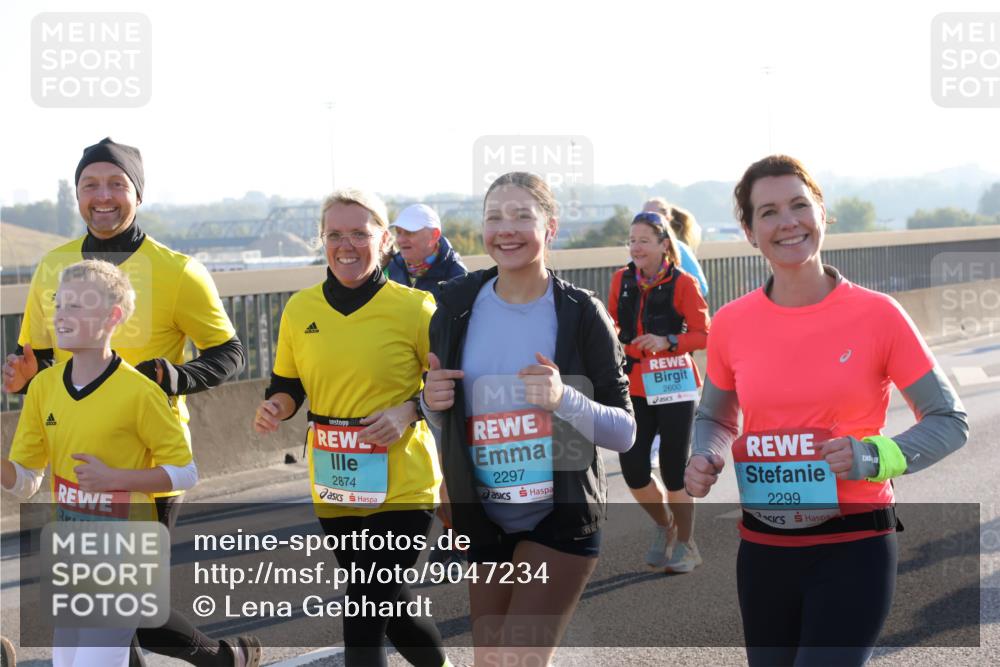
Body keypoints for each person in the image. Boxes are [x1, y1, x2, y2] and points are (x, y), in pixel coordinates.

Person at [684, 154, 968, 666]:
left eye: (799, 204)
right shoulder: (731, 323)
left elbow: (950, 422)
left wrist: (873, 456)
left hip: (855, 546)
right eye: (768, 212)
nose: (787, 221)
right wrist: (704, 455)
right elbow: (716, 417)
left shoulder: (879, 315)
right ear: (749, 232)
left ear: (821, 214)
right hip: (764, 549)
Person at [1, 138, 258, 667]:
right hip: (77, 460)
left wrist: (173, 375)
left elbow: (230, 353)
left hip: (148, 458)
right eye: (89, 184)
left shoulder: (178, 269)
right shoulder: (53, 266)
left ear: (137, 194)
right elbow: (46, 362)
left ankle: (221, 658)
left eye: (116, 184)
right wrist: (28, 379)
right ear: (76, 194)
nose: (102, 196)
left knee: (130, 609)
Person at [422, 171, 635, 665]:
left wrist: (565, 398)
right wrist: (432, 405)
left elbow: (624, 433)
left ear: (551, 227)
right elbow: (445, 419)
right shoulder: (455, 307)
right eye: (494, 217)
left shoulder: (582, 314)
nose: (507, 229)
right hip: (484, 518)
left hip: (558, 518)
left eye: (522, 215)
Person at [252, 189, 448, 667]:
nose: (346, 245)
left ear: (384, 241)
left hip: (404, 481)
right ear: (322, 241)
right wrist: (275, 407)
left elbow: (446, 387)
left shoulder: (416, 307)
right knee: (392, 606)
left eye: (360, 233)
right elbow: (288, 384)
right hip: (336, 478)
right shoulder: (300, 309)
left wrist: (408, 411)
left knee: (364, 602)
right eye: (335, 234)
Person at [1, 260, 198, 667]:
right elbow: (26, 481)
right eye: (59, 305)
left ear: (112, 317)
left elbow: (186, 472)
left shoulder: (140, 393)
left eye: (77, 306)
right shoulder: (43, 388)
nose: (61, 316)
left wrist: (116, 478)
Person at [607, 211, 710, 572]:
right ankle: (665, 526)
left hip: (676, 386)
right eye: (631, 240)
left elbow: (704, 333)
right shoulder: (620, 279)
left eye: (644, 240)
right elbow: (613, 325)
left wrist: (668, 340)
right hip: (635, 384)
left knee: (673, 469)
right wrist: (627, 346)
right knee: (633, 468)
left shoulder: (682, 283)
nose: (635, 246)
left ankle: (687, 543)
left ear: (664, 245)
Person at [386, 203, 468, 300]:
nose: (400, 240)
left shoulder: (457, 277)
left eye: (409, 232)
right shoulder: (393, 267)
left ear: (434, 235)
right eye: (398, 232)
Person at [642, 197, 708, 296]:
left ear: (667, 218)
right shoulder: (637, 250)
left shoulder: (679, 249)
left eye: (653, 217)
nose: (646, 222)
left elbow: (702, 288)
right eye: (642, 217)